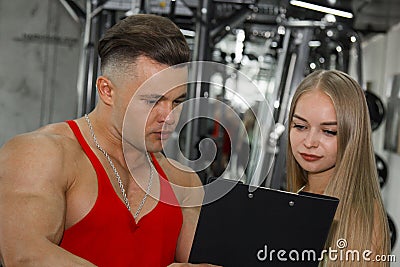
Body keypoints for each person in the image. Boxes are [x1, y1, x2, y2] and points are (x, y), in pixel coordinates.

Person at [0, 14, 216, 267]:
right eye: (152, 101)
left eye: (177, 101)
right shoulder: (43, 154)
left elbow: (210, 261)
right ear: (107, 90)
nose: (168, 117)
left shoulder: (183, 180)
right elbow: (24, 256)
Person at [286, 69, 391, 266]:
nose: (309, 142)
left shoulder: (362, 217)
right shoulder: (300, 195)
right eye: (300, 126)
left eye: (328, 131)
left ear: (353, 135)